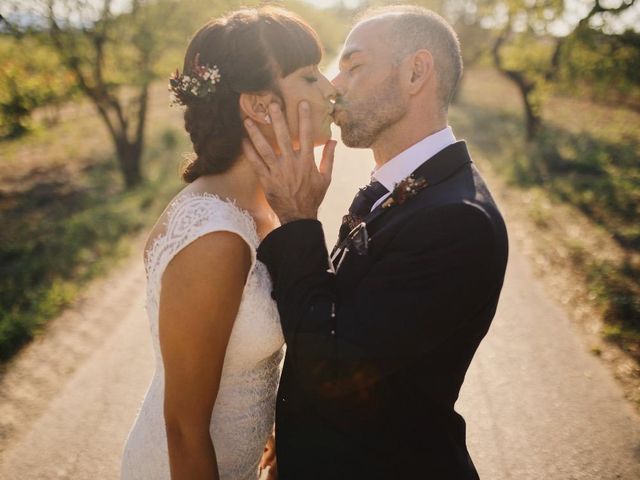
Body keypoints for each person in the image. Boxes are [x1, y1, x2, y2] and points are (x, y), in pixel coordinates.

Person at [242, 5, 509, 479]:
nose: (334, 86)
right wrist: (295, 430)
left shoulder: (456, 220)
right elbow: (336, 318)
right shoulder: (402, 186)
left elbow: (337, 370)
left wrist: (300, 220)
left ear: (415, 72)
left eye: (354, 66)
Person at [120, 7, 336, 480]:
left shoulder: (269, 205)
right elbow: (182, 427)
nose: (330, 89)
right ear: (260, 105)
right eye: (309, 76)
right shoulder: (215, 235)